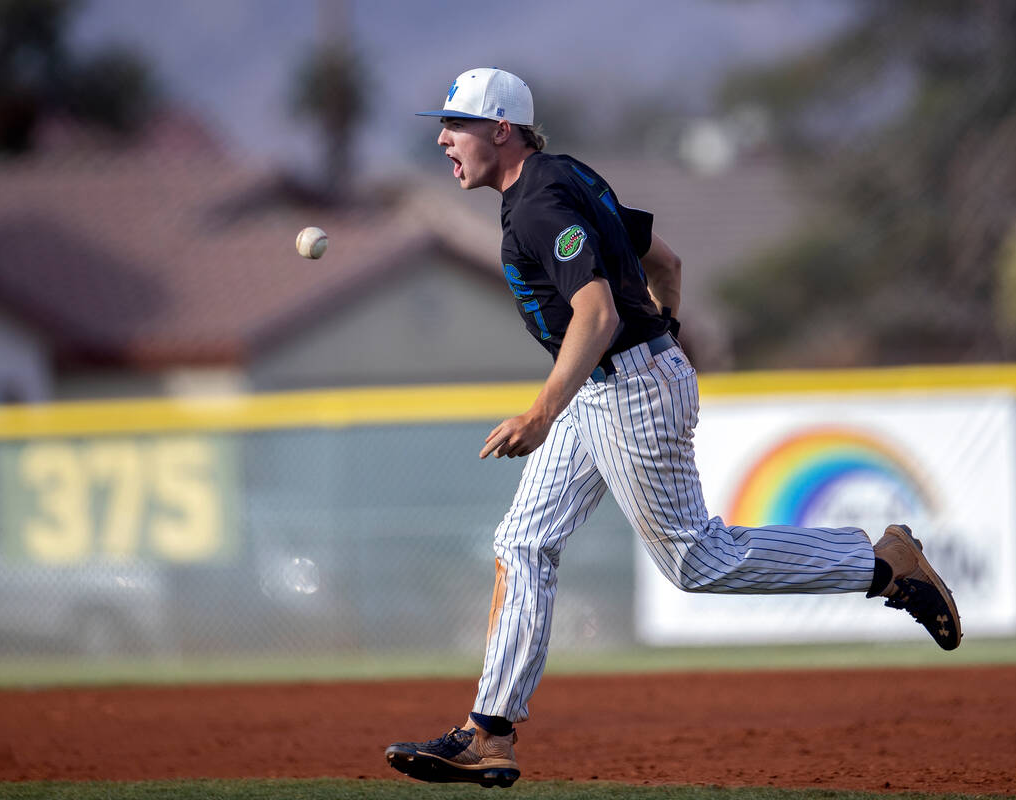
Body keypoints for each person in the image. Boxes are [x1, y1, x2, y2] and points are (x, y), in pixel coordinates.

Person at [385, 68, 961, 789]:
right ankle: (489, 735)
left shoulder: (536, 206)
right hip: (619, 381)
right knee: (524, 540)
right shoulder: (562, 179)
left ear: (501, 129)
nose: (442, 138)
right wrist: (668, 335)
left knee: (697, 562)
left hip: (621, 387)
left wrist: (543, 411)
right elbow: (665, 260)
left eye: (456, 124)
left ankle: (883, 564)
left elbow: (595, 315)